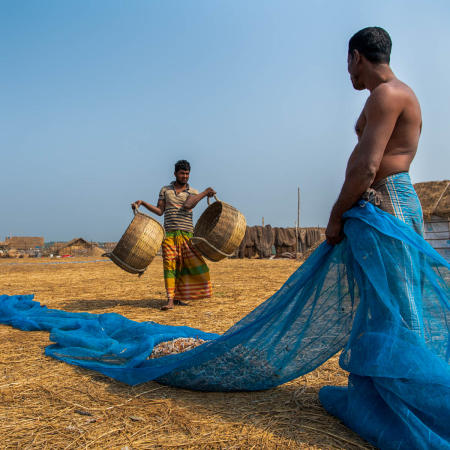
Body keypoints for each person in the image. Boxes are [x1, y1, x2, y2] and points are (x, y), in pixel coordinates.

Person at [132, 160, 215, 310]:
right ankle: (170, 299)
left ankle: (179, 297)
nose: (185, 176)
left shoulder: (193, 192)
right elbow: (159, 211)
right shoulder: (165, 190)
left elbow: (188, 205)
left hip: (187, 235)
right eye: (182, 173)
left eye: (187, 174)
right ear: (175, 173)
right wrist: (143, 203)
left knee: (185, 267)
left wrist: (203, 193)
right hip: (169, 234)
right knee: (169, 266)